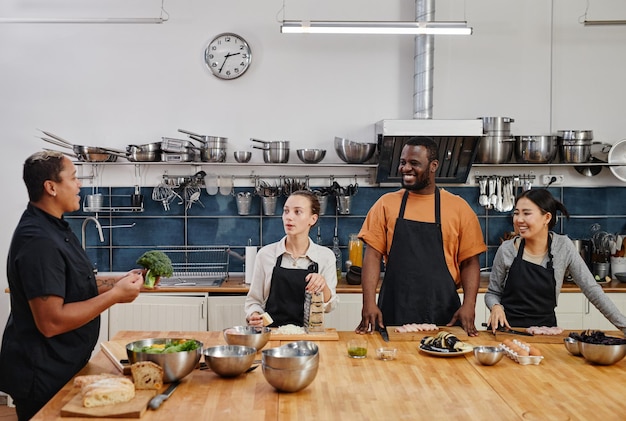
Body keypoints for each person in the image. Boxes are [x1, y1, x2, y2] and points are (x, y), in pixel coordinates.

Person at [0, 151, 144, 420]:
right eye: (74, 178)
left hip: (63, 365)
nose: (80, 185)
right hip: (42, 373)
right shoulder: (38, 241)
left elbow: (77, 285)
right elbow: (51, 322)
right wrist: (115, 295)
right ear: (51, 187)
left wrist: (120, 280)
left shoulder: (55, 228)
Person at [355, 137, 487, 337]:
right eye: (403, 162)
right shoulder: (386, 204)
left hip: (444, 310)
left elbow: (470, 262)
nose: (405, 168)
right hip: (393, 307)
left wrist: (469, 305)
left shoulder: (459, 208)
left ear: (433, 166)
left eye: (414, 163)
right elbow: (372, 257)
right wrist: (369, 303)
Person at [485, 188, 626, 332]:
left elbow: (592, 290)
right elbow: (492, 293)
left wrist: (624, 326)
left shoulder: (563, 247)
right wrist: (496, 307)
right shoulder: (507, 249)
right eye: (516, 213)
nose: (518, 219)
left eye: (526, 213)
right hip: (507, 331)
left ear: (547, 218)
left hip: (546, 333)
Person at [245, 190, 338, 327]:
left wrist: (322, 285)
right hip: (272, 337)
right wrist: (254, 315)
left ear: (313, 219)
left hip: (310, 338)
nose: (289, 217)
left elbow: (330, 306)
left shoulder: (325, 257)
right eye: (286, 211)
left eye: (297, 212)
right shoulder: (265, 255)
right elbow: (254, 301)